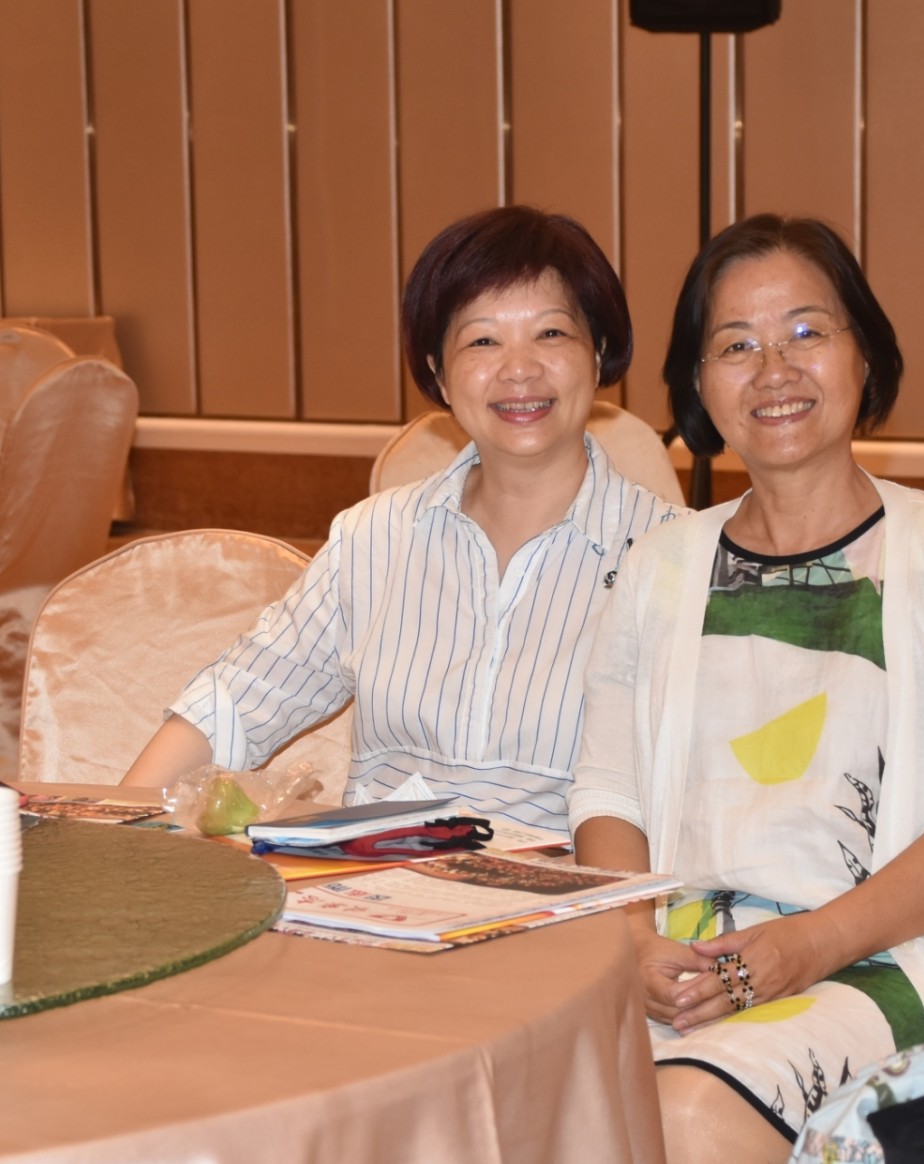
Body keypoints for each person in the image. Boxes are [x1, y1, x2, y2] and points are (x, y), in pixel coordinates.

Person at [569, 214, 924, 1164]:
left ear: (863, 354)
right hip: (691, 962)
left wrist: (805, 946)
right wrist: (635, 939)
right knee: (523, 1096)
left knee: (688, 1116)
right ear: (698, 386)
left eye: (806, 331)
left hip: (903, 964)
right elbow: (606, 792)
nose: (774, 369)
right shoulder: (660, 565)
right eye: (735, 343)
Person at [123, 206, 680, 831]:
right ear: (439, 372)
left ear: (598, 353)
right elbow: (237, 704)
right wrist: (110, 832)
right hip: (374, 880)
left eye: (551, 333)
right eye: (483, 340)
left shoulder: (673, 555)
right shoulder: (372, 539)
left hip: (571, 885)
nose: (519, 368)